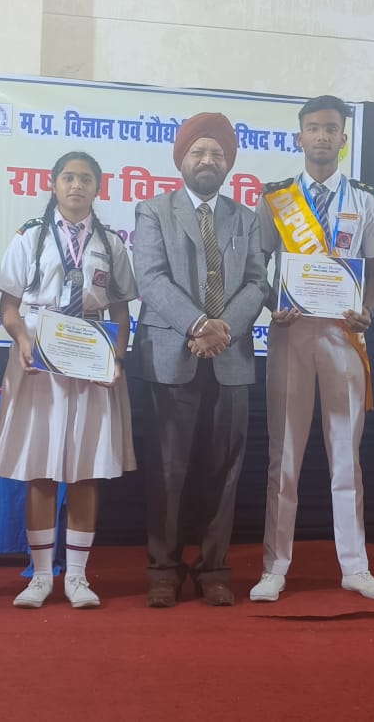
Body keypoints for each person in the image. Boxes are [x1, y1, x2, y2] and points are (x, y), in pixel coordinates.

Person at [250, 94, 374, 603]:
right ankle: (274, 567)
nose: (322, 136)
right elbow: (257, 268)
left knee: (345, 457)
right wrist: (272, 304)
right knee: (284, 456)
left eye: (331, 128)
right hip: (290, 334)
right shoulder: (276, 199)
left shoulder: (366, 200)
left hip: (343, 336)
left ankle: (355, 567)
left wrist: (368, 310)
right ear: (299, 137)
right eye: (313, 127)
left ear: (343, 138)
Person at [0, 151, 137, 610]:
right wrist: (21, 339)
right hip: (38, 361)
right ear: (53, 184)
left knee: (85, 471)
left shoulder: (111, 243)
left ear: (98, 188)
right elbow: (8, 305)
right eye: (69, 178)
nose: (77, 186)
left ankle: (76, 577)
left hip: (91, 360)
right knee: (41, 469)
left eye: (86, 179)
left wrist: (117, 357)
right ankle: (40, 576)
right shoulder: (30, 237)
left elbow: (121, 310)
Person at [133, 113, 267, 607]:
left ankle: (214, 568)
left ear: (228, 163)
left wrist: (221, 328)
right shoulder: (153, 210)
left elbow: (257, 283)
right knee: (167, 470)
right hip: (172, 354)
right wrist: (197, 325)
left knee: (224, 471)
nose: (208, 160)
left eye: (217, 154)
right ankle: (163, 570)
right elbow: (151, 278)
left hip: (230, 358)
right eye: (198, 152)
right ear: (181, 160)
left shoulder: (246, 218)